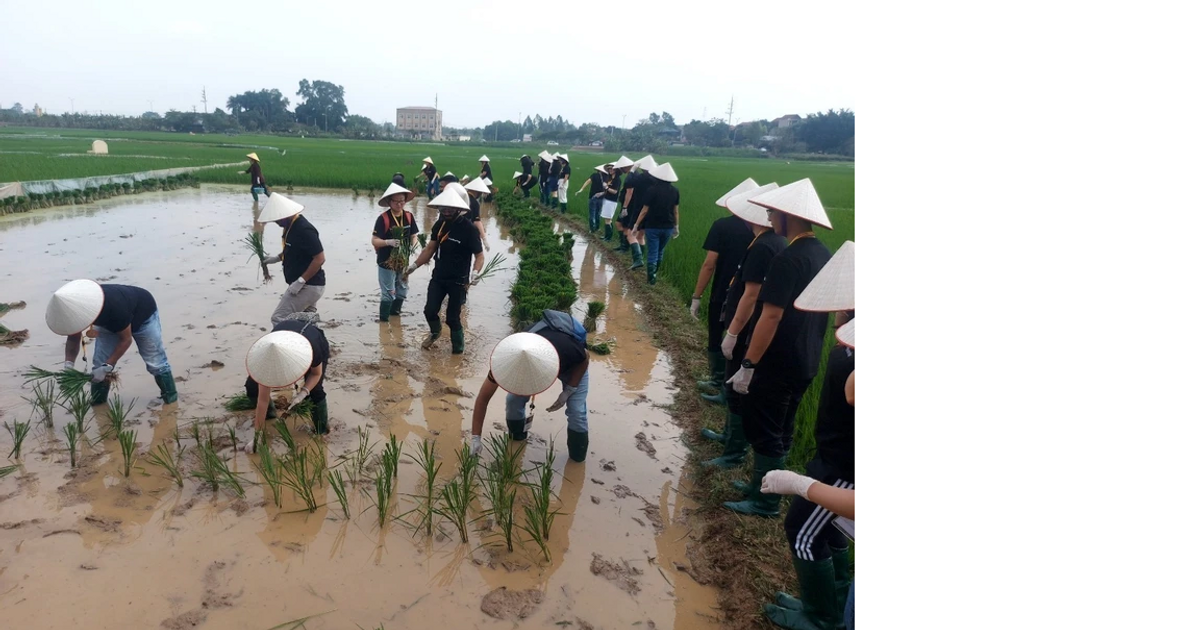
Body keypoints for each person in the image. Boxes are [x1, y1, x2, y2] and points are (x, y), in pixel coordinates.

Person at [723, 179, 834, 518]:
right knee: (783, 426)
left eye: (773, 212)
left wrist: (748, 363)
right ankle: (765, 485)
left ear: (789, 216)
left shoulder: (788, 259)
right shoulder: (822, 254)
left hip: (778, 359)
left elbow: (770, 316)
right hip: (807, 357)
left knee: (767, 427)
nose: (770, 218)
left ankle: (766, 501)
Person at [759, 256, 856, 630]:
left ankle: (821, 618)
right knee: (831, 530)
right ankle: (834, 600)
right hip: (832, 455)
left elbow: (852, 395)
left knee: (802, 531)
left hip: (843, 467)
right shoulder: (848, 342)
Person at [702, 183, 785, 468]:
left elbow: (751, 295)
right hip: (746, 325)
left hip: (746, 329)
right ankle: (727, 438)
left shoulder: (764, 246)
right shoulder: (768, 243)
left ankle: (732, 453)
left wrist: (733, 332)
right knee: (729, 383)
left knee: (736, 390)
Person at [469, 310, 590, 461]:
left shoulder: (566, 349)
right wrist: (475, 437)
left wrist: (569, 390)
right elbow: (482, 399)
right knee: (513, 400)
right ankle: (517, 439)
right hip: (541, 358)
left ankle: (577, 459)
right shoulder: (505, 362)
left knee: (576, 411)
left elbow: (585, 358)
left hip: (572, 365)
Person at [47, 279, 178, 406]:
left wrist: (108, 366)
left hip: (143, 316)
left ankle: (170, 400)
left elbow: (126, 340)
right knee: (98, 364)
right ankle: (98, 404)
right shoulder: (75, 311)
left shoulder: (114, 306)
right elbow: (73, 338)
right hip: (109, 323)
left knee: (155, 361)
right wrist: (68, 366)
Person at [693, 178, 759, 406]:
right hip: (753, 299)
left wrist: (696, 296)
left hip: (723, 292)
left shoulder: (722, 226)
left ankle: (717, 380)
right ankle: (728, 386)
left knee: (716, 334)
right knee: (739, 342)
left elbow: (709, 263)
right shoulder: (765, 234)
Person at [405, 189, 484, 354]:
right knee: (429, 310)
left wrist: (475, 273)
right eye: (443, 208)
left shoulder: (469, 229)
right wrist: (413, 267)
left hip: (458, 281)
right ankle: (435, 332)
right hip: (439, 277)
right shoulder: (439, 225)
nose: (446, 211)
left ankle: (458, 352)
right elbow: (430, 248)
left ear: (457, 209)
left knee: (453, 319)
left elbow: (479, 255)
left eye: (450, 208)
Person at [243, 314, 331, 448]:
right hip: (282, 336)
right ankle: (270, 416)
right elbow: (262, 399)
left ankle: (322, 430)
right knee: (252, 386)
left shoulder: (313, 348)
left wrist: (303, 393)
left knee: (315, 391)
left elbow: (316, 374)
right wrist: (257, 436)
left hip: (312, 338)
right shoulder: (266, 356)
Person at [258, 193, 327, 325]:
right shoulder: (289, 227)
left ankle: (286, 345)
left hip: (308, 286)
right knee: (307, 321)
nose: (277, 223)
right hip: (308, 285)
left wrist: (300, 281)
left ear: (287, 215)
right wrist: (276, 258)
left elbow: (319, 258)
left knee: (279, 318)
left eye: (278, 219)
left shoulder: (304, 229)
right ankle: (313, 344)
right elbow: (294, 250)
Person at [371, 182, 419, 323]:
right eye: (396, 201)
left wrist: (415, 248)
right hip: (386, 261)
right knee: (388, 293)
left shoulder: (409, 216)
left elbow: (413, 235)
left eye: (402, 201)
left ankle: (395, 317)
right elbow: (374, 240)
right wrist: (388, 242)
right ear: (389, 202)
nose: (399, 204)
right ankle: (384, 323)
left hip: (403, 260)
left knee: (402, 290)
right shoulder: (383, 219)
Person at [631, 162, 680, 284]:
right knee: (660, 251)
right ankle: (654, 274)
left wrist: (636, 225)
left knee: (653, 251)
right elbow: (675, 211)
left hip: (652, 226)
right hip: (668, 227)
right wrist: (676, 226)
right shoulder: (675, 191)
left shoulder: (651, 190)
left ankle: (651, 279)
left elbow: (644, 210)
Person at [619, 155, 656, 256]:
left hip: (639, 208)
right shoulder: (656, 179)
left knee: (631, 234)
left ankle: (638, 258)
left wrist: (632, 171)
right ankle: (641, 257)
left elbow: (628, 183)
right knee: (641, 235)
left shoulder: (641, 178)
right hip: (651, 210)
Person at [602, 157, 633, 241]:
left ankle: (608, 237)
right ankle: (606, 236)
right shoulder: (609, 179)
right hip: (607, 199)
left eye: (612, 168)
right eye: (609, 169)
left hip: (611, 201)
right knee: (607, 219)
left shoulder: (617, 180)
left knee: (608, 219)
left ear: (616, 170)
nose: (610, 170)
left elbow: (615, 191)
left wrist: (607, 188)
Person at [576, 163, 610, 232]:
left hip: (593, 197)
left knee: (592, 213)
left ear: (598, 170)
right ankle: (597, 228)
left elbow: (588, 182)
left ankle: (592, 229)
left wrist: (581, 189)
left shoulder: (594, 175)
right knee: (598, 213)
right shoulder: (607, 177)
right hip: (602, 197)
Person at [463, 178, 491, 246]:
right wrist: (484, 238)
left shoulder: (462, 197)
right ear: (477, 191)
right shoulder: (474, 203)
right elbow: (477, 221)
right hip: (465, 231)